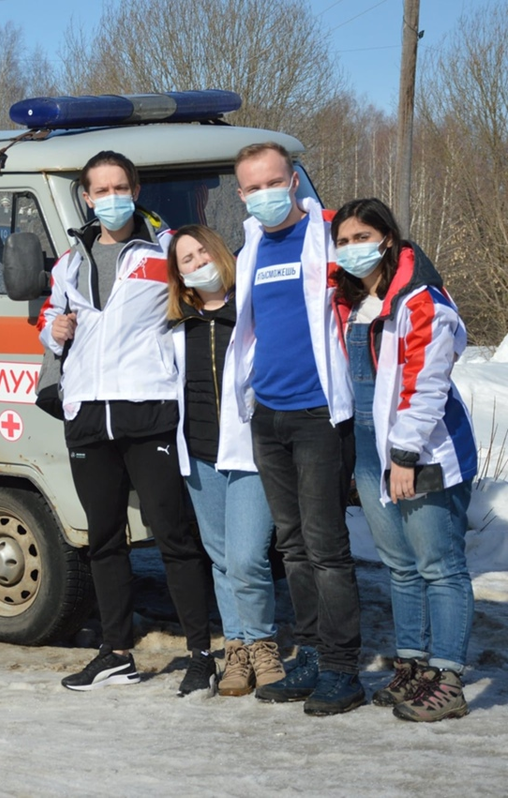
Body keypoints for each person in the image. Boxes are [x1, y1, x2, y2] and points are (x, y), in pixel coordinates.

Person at [40, 150, 216, 696]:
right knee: (103, 540)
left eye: (122, 187)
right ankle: (115, 652)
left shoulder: (164, 251)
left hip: (148, 410)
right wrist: (55, 331)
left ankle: (201, 654)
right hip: (88, 413)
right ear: (87, 198)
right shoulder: (69, 262)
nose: (113, 197)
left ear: (135, 191)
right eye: (102, 189)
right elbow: (51, 319)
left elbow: (205, 303)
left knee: (174, 537)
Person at [332, 197, 477, 722]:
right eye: (343, 242)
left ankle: (449, 677)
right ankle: (413, 663)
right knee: (399, 566)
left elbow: (425, 386)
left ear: (387, 239)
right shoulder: (351, 302)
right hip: (373, 451)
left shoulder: (422, 302)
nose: (352, 250)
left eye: (361, 239)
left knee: (440, 565)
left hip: (423, 450)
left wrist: (404, 456)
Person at [232, 142, 363, 715]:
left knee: (327, 547)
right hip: (270, 417)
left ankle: (342, 668)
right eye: (253, 186)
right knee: (292, 546)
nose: (265, 193)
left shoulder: (330, 236)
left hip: (317, 415)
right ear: (241, 194)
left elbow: (388, 274)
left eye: (274, 181)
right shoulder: (251, 247)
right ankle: (308, 656)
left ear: (295, 181)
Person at [166, 225, 284, 697]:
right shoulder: (178, 322)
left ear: (220, 252)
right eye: (186, 260)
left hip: (251, 451)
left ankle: (262, 644)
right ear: (179, 275)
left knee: (247, 555)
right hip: (199, 455)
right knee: (219, 557)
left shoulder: (251, 310)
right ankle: (235, 650)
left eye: (201, 252)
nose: (197, 263)